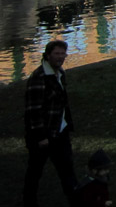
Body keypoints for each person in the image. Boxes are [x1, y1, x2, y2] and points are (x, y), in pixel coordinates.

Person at [24, 39, 77, 207]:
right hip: (44, 135)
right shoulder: (39, 77)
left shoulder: (59, 73)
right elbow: (34, 110)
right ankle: (29, 201)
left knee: (67, 169)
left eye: (63, 54)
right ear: (48, 56)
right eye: (57, 54)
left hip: (60, 131)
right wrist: (41, 136)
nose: (60, 57)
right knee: (35, 170)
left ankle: (75, 200)